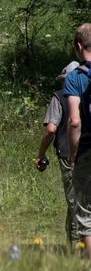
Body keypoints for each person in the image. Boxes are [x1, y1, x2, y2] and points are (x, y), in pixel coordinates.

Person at [36, 61, 81, 246]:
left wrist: (41, 154)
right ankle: (73, 247)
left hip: (69, 156)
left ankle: (81, 249)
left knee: (75, 202)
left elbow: (51, 129)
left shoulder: (60, 97)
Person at [64, 23, 91, 257]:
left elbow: (74, 121)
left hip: (87, 151)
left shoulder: (75, 78)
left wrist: (73, 156)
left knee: (86, 215)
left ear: (79, 46)